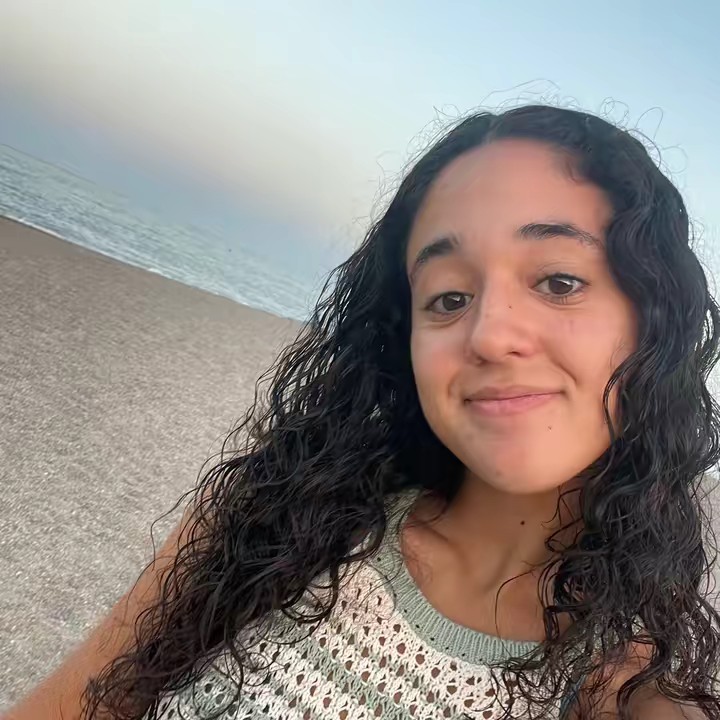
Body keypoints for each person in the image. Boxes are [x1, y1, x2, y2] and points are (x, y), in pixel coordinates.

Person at [6, 103, 720, 720]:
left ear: (654, 319)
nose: (489, 333)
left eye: (559, 281)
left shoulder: (629, 692)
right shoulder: (277, 517)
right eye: (448, 297)